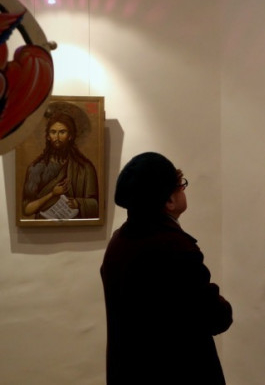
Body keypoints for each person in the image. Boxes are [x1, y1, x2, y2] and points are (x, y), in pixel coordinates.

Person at [101, 152, 232, 384]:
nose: (183, 191)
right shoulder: (176, 248)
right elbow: (216, 317)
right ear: (169, 200)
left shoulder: (118, 242)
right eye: (181, 186)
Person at [22, 110, 98, 219]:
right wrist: (52, 194)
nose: (57, 138)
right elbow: (27, 209)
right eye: (53, 132)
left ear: (70, 136)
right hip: (43, 226)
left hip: (77, 226)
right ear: (48, 136)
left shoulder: (85, 168)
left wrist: (78, 203)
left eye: (62, 132)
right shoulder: (36, 168)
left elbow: (96, 205)